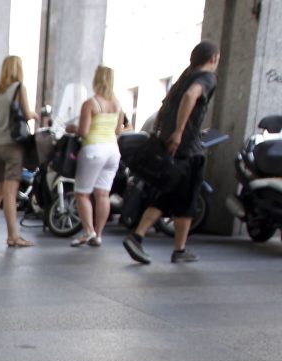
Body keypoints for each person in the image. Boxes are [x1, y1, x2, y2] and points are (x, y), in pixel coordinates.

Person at [123, 41, 220, 264]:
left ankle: (143, 238)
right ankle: (173, 248)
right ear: (213, 59)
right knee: (187, 200)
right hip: (188, 150)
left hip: (173, 147)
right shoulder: (206, 77)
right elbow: (191, 96)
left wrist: (169, 133)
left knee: (168, 195)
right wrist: (180, 131)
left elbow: (164, 108)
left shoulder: (184, 77)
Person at [0, 55, 36, 248]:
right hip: (13, 146)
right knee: (10, 192)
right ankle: (13, 236)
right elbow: (27, 114)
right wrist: (34, 114)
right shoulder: (19, 88)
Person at [71, 65, 126, 248]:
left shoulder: (91, 103)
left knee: (82, 193)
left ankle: (88, 231)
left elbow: (83, 132)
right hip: (113, 151)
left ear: (96, 79)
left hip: (93, 150)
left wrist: (72, 128)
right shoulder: (118, 104)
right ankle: (99, 235)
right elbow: (118, 130)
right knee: (103, 194)